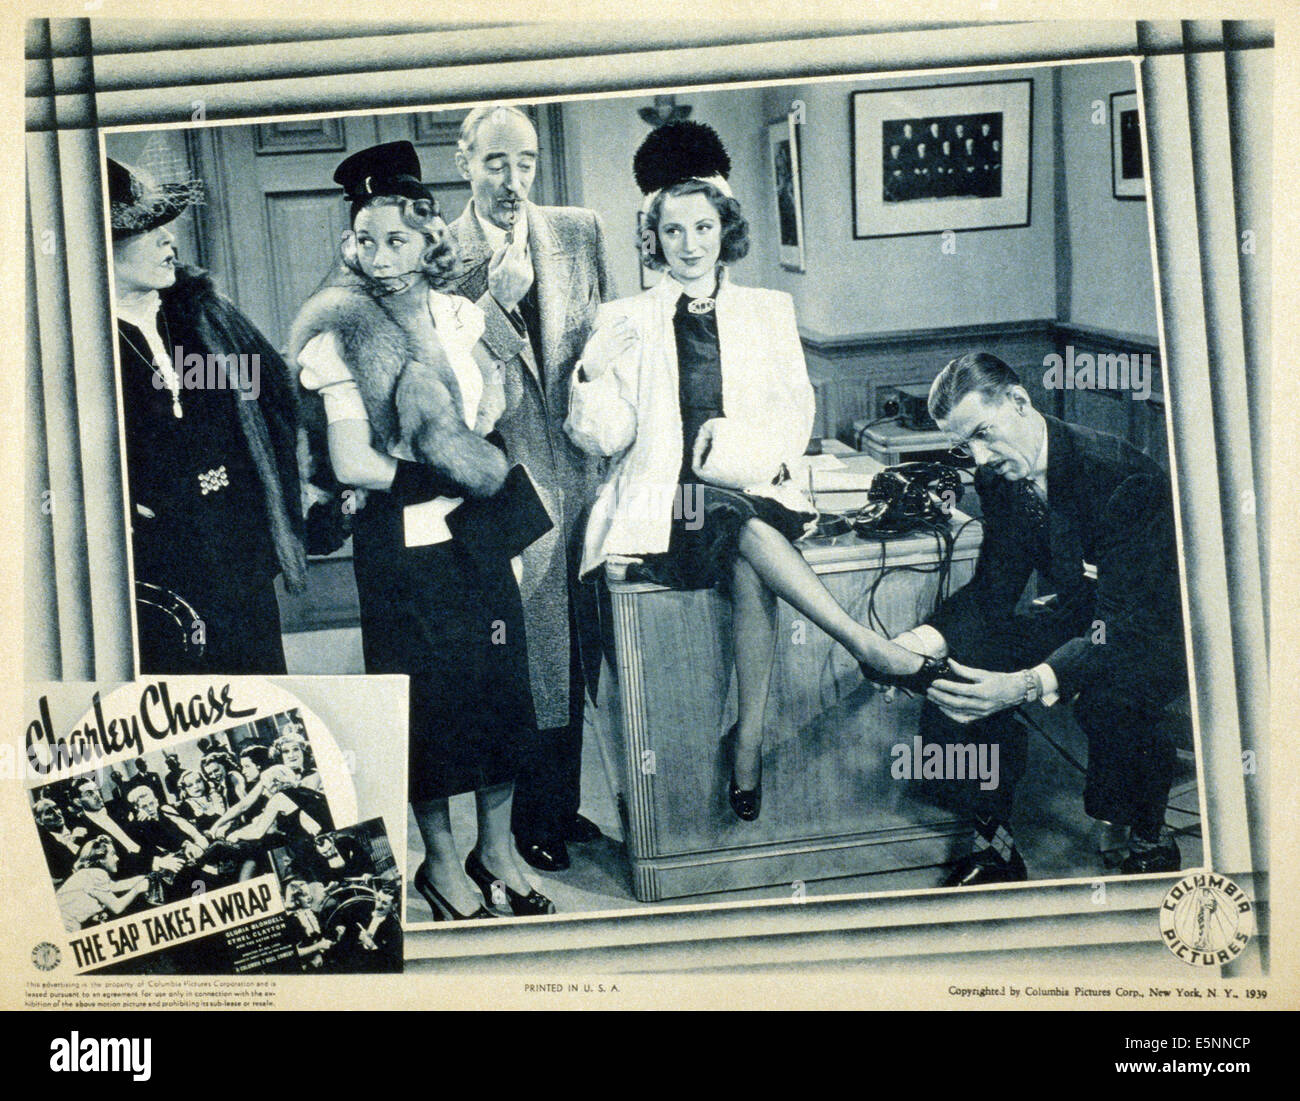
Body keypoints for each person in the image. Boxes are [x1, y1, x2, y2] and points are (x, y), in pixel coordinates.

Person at [566, 121, 950, 822]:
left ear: (724, 229)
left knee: (743, 541)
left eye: (702, 227)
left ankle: (746, 741)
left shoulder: (769, 311)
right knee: (728, 523)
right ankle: (859, 647)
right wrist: (591, 372)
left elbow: (792, 419)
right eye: (673, 230)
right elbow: (605, 437)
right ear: (654, 238)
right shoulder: (623, 316)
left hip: (748, 488)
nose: (689, 244)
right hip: (667, 501)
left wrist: (732, 453)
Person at [289, 140, 556, 920]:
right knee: (430, 709)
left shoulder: (460, 312)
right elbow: (352, 461)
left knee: (502, 695)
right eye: (363, 240)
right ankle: (442, 865)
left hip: (478, 537)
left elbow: (499, 395)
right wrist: (451, 470)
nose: (378, 258)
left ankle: (496, 850)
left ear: (429, 235)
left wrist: (478, 434)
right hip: (400, 548)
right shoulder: (338, 331)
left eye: (397, 239)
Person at [897, 352, 1188, 884]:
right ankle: (995, 843)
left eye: (984, 434)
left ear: (1019, 402)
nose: (980, 458)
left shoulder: (1121, 476)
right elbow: (993, 590)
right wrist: (920, 641)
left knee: (1114, 698)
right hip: (1085, 613)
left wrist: (1028, 684)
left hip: (1155, 630)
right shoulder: (1000, 477)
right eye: (965, 447)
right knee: (961, 664)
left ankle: (1149, 834)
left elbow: (1124, 624)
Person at [447, 105, 612, 873]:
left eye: (526, 162)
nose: (513, 181)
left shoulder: (580, 231)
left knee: (581, 642)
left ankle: (564, 803)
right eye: (495, 163)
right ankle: (523, 823)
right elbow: (448, 376)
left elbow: (605, 344)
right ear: (464, 161)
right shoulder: (439, 253)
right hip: (502, 479)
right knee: (526, 650)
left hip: (582, 469)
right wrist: (496, 302)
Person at [108, 156, 306, 673]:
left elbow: (274, 403)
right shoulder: (79, 341)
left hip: (237, 554)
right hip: (151, 571)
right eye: (149, 230)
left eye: (167, 228)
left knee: (259, 702)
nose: (168, 242)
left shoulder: (202, 318)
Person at [55, 836, 152, 932]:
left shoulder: (89, 872)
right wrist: (138, 889)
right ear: (101, 858)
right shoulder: (96, 874)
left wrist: (144, 876)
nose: (117, 858)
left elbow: (115, 886)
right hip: (67, 926)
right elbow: (117, 907)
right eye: (113, 854)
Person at [33, 797, 88, 884]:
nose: (56, 813)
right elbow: (60, 875)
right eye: (49, 812)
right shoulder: (46, 849)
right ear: (40, 821)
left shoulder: (82, 825)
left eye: (56, 808)